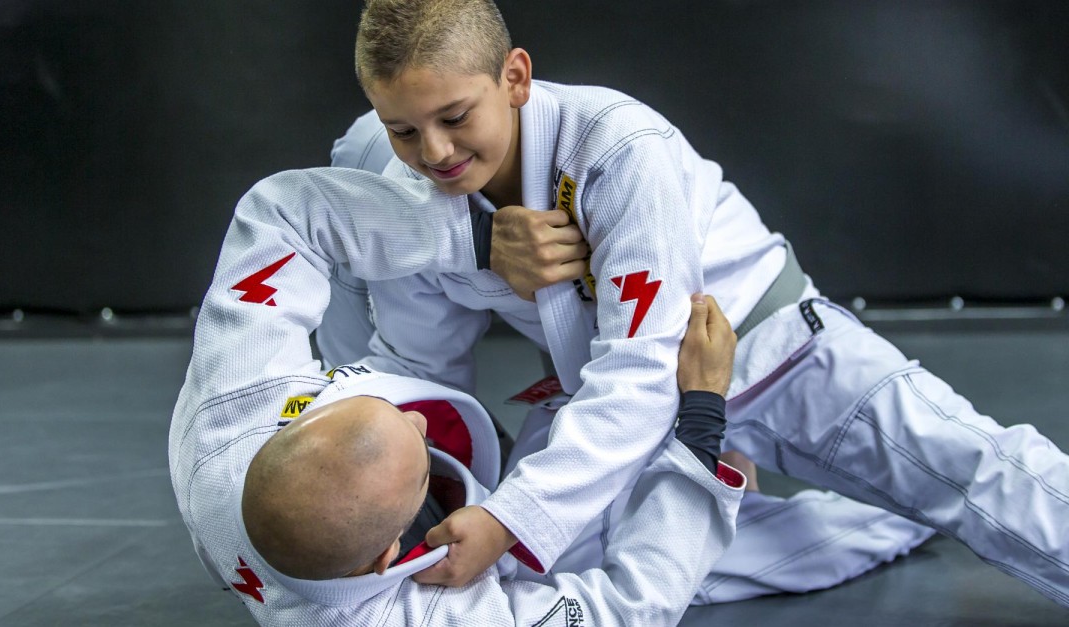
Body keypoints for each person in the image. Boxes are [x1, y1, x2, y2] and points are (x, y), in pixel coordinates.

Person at [333, 0, 1069, 606]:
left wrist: (510, 513)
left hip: (766, 346)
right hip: (607, 395)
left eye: (456, 117)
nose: (433, 151)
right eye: (404, 129)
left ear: (516, 77)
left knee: (972, 473)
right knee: (545, 567)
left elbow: (641, 368)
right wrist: (474, 242)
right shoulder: (384, 172)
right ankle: (871, 521)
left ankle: (891, 501)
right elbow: (420, 365)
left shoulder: (616, 149)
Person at [168, 165, 746, 625]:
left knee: (364, 148)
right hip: (466, 558)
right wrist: (699, 427)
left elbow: (284, 211)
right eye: (418, 466)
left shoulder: (234, 406)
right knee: (738, 547)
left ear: (291, 429)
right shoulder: (423, 617)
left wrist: (478, 239)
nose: (419, 425)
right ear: (389, 556)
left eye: (386, 418)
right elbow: (631, 608)